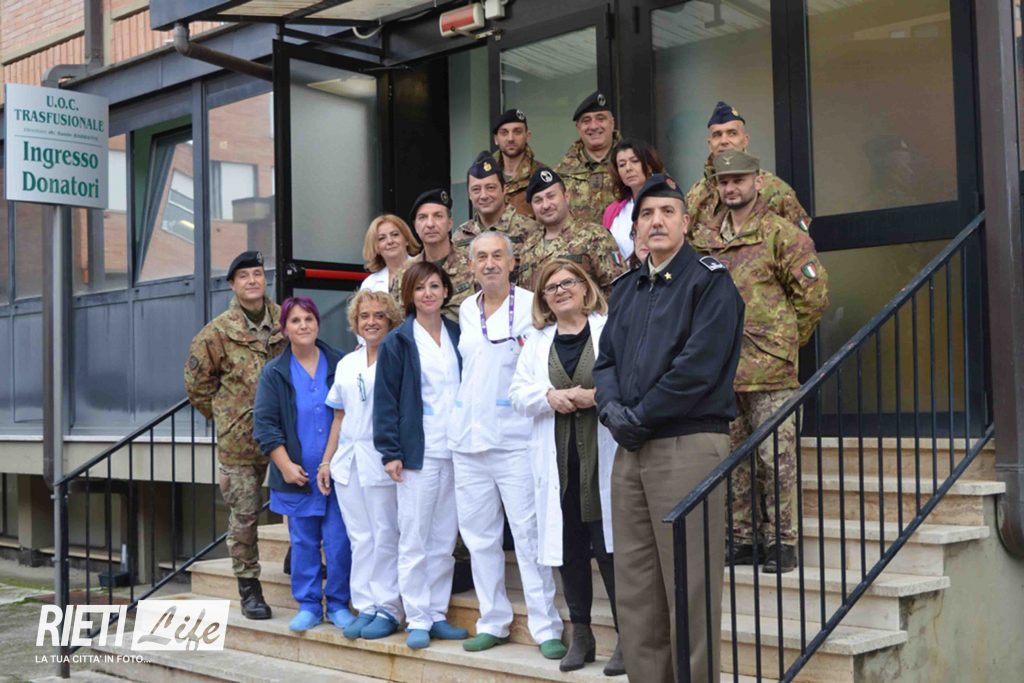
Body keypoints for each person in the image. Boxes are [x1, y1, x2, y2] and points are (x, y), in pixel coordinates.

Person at [593, 174, 745, 683]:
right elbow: (606, 362)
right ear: (635, 227)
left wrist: (642, 415)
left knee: (690, 587)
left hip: (686, 444)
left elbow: (698, 368)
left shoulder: (709, 282)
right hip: (631, 449)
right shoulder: (627, 288)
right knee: (637, 589)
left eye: (666, 212)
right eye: (646, 214)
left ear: (685, 221)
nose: (655, 221)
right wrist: (613, 412)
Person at [691, 151, 830, 573]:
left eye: (739, 180)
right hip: (723, 371)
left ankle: (782, 542)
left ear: (756, 182)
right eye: (724, 181)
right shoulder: (705, 239)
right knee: (734, 462)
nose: (731, 187)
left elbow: (813, 296)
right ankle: (743, 538)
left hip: (771, 371)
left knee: (776, 460)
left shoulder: (780, 233)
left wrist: (785, 341)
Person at [446, 231, 565, 660]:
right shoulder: (465, 308)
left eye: (498, 255)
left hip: (515, 439)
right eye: (481, 257)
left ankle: (545, 626)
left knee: (529, 537)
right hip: (468, 441)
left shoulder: (533, 305)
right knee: (479, 538)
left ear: (513, 262)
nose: (490, 263)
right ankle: (492, 621)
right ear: (470, 265)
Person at [510, 259, 624, 676]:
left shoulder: (608, 330)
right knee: (569, 550)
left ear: (585, 287)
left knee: (609, 550)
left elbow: (629, 377)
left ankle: (627, 637)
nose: (560, 291)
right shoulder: (537, 341)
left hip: (602, 457)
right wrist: (548, 397)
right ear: (543, 299)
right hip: (559, 465)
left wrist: (598, 396)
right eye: (551, 288)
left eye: (567, 283)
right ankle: (582, 635)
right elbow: (517, 393)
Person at [184, 250, 284, 621]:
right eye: (244, 276)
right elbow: (197, 384)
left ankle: (300, 556)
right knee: (245, 515)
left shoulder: (286, 321)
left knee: (298, 499)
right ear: (232, 285)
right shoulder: (217, 332)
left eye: (257, 274)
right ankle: (249, 587)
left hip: (285, 434)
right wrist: (225, 415)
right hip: (240, 441)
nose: (252, 281)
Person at [374, 261, 469, 650]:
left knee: (444, 538)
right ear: (409, 296)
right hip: (418, 450)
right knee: (414, 537)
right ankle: (416, 617)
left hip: (456, 448)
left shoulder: (458, 333)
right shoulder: (398, 341)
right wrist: (390, 451)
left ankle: (437, 614)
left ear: (445, 291)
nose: (428, 293)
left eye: (434, 286)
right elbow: (386, 400)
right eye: (419, 288)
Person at [252, 296, 353, 632]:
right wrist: (284, 465)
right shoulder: (274, 373)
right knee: (304, 543)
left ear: (318, 324)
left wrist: (332, 462)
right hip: (297, 476)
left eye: (309, 319)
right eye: (295, 320)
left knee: (339, 541)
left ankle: (338, 604)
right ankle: (309, 605)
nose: (303, 326)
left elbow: (350, 414)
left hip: (337, 472)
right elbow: (265, 425)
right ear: (285, 329)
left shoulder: (341, 363)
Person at [316, 290, 405, 640]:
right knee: (360, 537)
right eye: (364, 316)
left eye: (379, 315)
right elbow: (339, 416)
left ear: (391, 321)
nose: (371, 322)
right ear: (355, 322)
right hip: (348, 462)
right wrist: (326, 461)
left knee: (385, 534)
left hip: (382, 459)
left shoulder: (398, 358)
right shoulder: (347, 363)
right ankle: (366, 605)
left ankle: (389, 607)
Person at [685, 101, 811, 235]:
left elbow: (801, 241)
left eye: (732, 133)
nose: (724, 141)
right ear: (710, 144)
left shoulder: (775, 189)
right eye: (717, 135)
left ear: (745, 140)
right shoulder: (695, 195)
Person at [518, 167, 623, 294]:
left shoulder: (595, 236)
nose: (545, 205)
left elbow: (620, 289)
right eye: (538, 200)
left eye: (551, 196)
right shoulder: (528, 248)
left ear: (566, 197)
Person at [390, 188, 474, 322]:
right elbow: (396, 321)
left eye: (438, 216)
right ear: (415, 226)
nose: (430, 224)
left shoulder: (473, 265)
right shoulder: (405, 273)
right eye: (423, 217)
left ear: (450, 223)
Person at [556, 91, 621, 225]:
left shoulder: (635, 164)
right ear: (578, 128)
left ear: (612, 123)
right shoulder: (560, 174)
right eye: (586, 121)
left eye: (601, 118)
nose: (594, 126)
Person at [453, 152, 538, 254]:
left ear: (504, 189)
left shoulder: (531, 230)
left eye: (490, 188)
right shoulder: (460, 236)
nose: (483, 196)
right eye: (476, 189)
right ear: (469, 195)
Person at [603, 138, 665, 260]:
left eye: (635, 161)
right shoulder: (612, 211)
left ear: (649, 165)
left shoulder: (668, 203)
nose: (628, 168)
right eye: (622, 165)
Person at [492, 108, 547, 218]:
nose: (510, 138)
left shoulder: (542, 175)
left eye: (517, 132)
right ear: (496, 139)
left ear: (528, 136)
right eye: (504, 133)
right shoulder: (486, 176)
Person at [360, 214, 421, 293]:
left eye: (395, 234)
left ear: (407, 240)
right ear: (376, 247)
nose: (390, 241)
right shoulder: (370, 284)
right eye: (382, 238)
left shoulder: (424, 269)